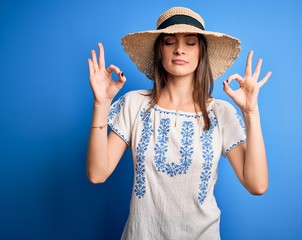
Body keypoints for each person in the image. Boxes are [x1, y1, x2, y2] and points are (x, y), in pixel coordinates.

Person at [87, 6, 271, 240]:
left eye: (190, 43)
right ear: (159, 51)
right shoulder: (134, 104)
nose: (180, 50)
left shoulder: (220, 113)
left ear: (201, 53)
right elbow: (97, 173)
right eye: (169, 42)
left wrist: (251, 112)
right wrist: (101, 105)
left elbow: (257, 185)